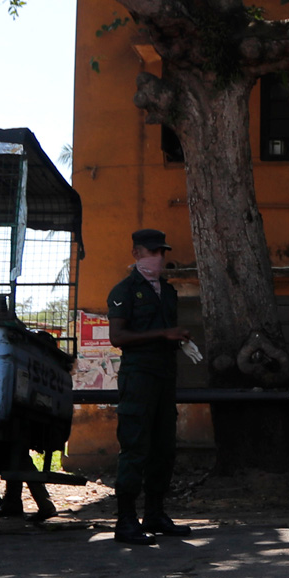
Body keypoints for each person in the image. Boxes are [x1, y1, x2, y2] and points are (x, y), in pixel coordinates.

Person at [105, 228, 191, 545]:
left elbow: (165, 331)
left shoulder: (167, 292)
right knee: (135, 447)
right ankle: (126, 521)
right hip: (138, 376)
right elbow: (118, 338)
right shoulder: (124, 290)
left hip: (165, 376)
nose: (158, 258)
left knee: (163, 448)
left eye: (161, 252)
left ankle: (155, 514)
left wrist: (179, 338)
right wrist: (163, 335)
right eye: (151, 252)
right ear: (136, 253)